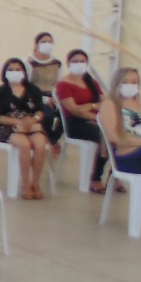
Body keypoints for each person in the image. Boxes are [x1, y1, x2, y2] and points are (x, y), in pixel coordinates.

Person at [99, 68, 141, 236]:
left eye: (134, 82)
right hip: (128, 157)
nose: (130, 85)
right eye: (126, 82)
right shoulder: (110, 104)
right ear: (117, 84)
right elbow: (114, 137)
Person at [0, 58, 50, 200]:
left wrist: (33, 120)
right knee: (24, 144)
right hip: (8, 127)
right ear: (5, 73)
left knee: (40, 144)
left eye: (18, 70)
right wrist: (18, 122)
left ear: (24, 72)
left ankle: (36, 182)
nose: (14, 72)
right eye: (11, 70)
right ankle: (25, 183)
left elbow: (40, 111)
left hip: (31, 125)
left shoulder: (33, 90)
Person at [55, 49, 110, 193]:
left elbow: (104, 103)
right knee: (104, 136)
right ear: (68, 63)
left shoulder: (92, 82)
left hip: (96, 120)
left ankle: (113, 176)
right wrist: (95, 111)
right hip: (75, 123)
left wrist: (90, 107)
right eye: (75, 61)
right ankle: (96, 178)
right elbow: (74, 110)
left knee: (117, 135)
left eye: (82, 61)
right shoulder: (63, 84)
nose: (79, 64)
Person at [27, 31, 64, 151]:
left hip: (52, 97)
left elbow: (58, 84)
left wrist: (55, 98)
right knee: (47, 115)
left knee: (66, 115)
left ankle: (52, 139)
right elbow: (27, 86)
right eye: (44, 42)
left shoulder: (57, 63)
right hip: (34, 98)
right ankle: (43, 140)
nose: (47, 44)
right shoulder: (29, 62)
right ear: (36, 44)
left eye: (50, 42)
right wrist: (45, 100)